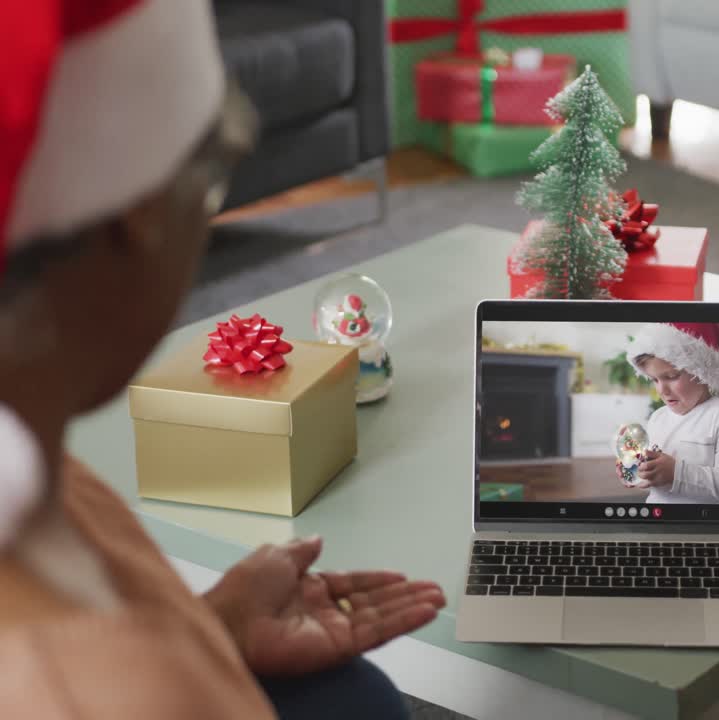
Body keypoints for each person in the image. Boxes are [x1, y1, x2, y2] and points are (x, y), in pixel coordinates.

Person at [0, 2, 443, 718]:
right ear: (138, 217)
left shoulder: (50, 471)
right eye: (212, 179)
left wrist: (215, 627)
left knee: (355, 696)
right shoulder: (105, 690)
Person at [621, 323, 719, 503]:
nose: (662, 390)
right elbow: (654, 479)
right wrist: (638, 471)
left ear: (702, 372)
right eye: (654, 380)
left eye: (671, 376)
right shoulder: (658, 417)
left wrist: (676, 473)